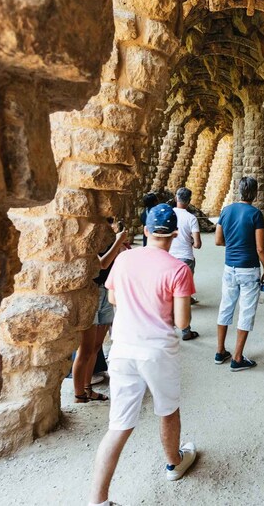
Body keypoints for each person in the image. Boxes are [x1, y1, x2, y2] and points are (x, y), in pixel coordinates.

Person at [87, 204, 197, 506]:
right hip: (158, 351)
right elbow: (182, 322)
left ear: (146, 230)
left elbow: (112, 297)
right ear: (174, 235)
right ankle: (174, 461)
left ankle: (97, 500)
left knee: (119, 424)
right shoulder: (178, 269)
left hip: (123, 347)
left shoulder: (123, 260)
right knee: (167, 409)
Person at [214, 176, 264, 371]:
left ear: (239, 190)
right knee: (246, 311)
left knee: (226, 307)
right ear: (254, 193)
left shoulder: (226, 211)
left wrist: (233, 243)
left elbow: (218, 240)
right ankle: (237, 358)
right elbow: (260, 248)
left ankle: (220, 351)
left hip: (230, 267)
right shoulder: (255, 214)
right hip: (249, 269)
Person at [73, 217, 126, 403]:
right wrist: (119, 241)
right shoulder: (90, 239)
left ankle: (88, 389)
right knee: (85, 349)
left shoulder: (110, 240)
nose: (111, 227)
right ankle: (79, 394)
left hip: (105, 291)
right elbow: (101, 264)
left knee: (96, 346)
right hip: (91, 293)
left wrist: (120, 245)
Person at [170, 187, 202, 311]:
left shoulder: (169, 214)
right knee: (184, 286)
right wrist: (192, 242)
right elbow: (197, 244)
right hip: (185, 257)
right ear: (189, 201)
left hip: (169, 255)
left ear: (176, 198)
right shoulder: (191, 218)